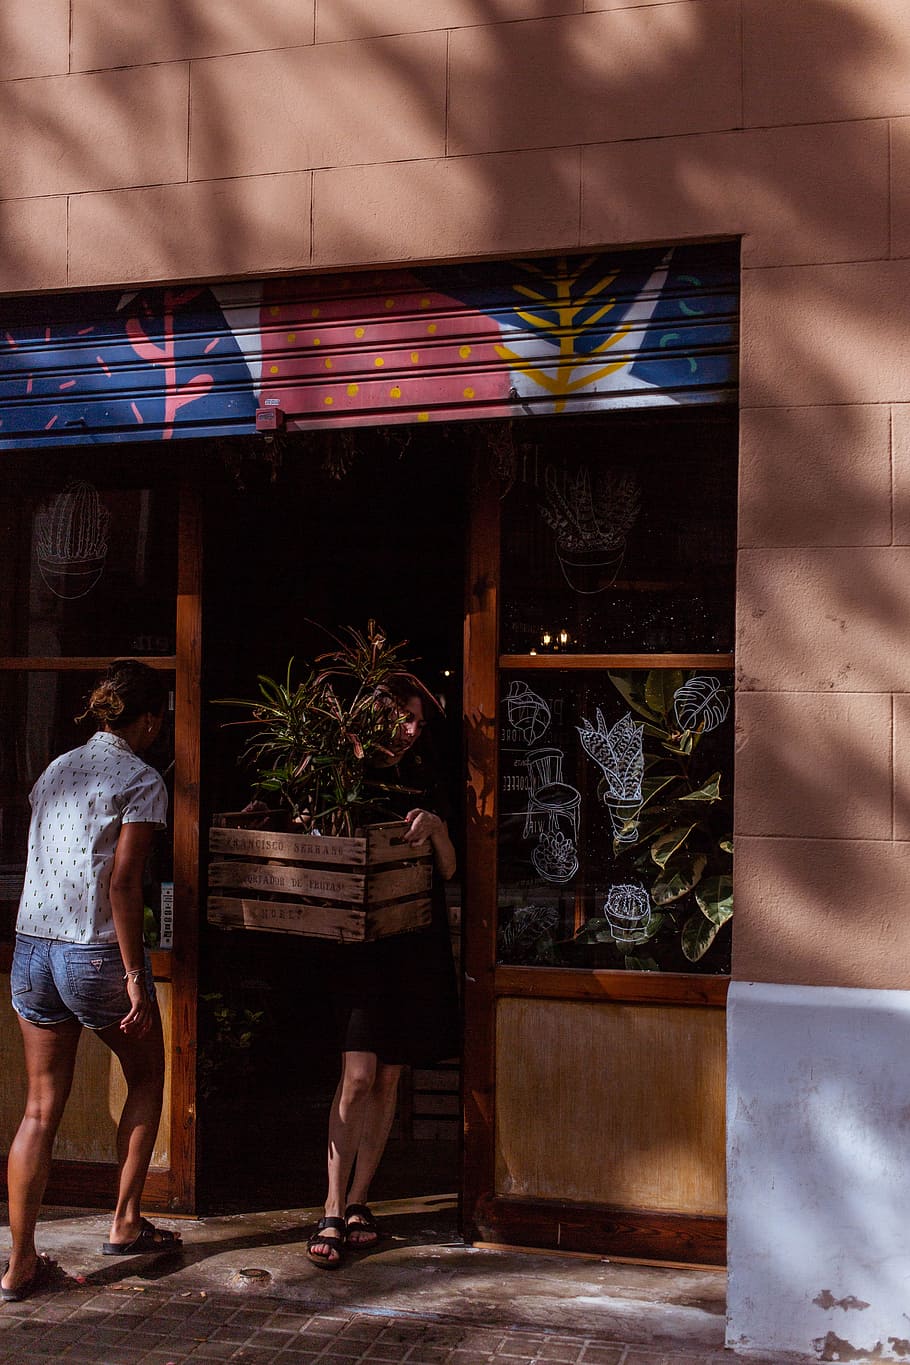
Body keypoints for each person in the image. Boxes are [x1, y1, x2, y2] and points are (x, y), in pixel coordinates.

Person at [1, 660, 181, 1303]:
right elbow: (124, 883)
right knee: (148, 1075)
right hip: (93, 953)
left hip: (31, 948)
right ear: (151, 720)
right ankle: (126, 1222)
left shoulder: (56, 768)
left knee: (39, 1108)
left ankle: (20, 1263)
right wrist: (137, 975)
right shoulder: (141, 778)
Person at [306, 683, 460, 1269]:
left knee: (391, 1076)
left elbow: (448, 869)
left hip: (416, 942)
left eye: (419, 723)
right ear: (370, 719)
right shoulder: (340, 777)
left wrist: (440, 830)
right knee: (358, 1076)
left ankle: (359, 1203)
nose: (412, 731)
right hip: (362, 949)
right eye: (403, 719)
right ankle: (329, 1204)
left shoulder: (426, 777)